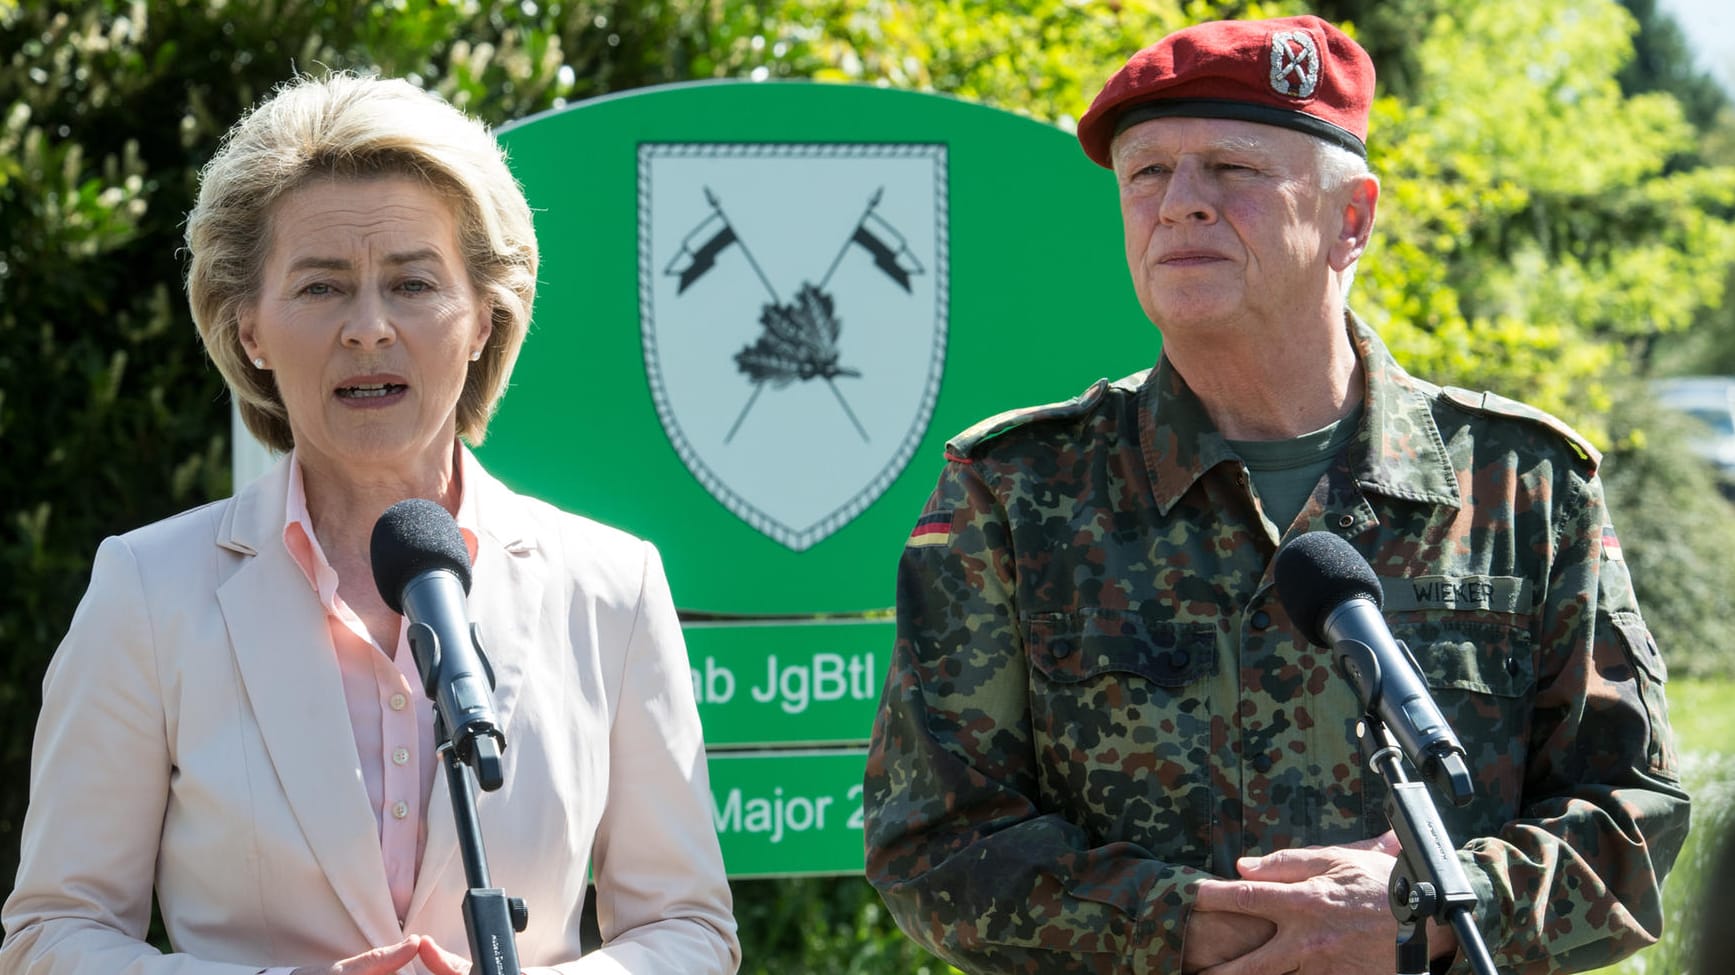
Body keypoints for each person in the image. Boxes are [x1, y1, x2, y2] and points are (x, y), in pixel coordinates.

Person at [863, 15, 1688, 975]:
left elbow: (1633, 823)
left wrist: (1422, 910)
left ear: (1353, 219)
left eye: (1232, 170)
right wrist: (1188, 921)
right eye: (1146, 175)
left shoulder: (1522, 486)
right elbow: (931, 843)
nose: (1179, 204)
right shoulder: (1012, 491)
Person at [1, 74, 739, 975]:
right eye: (320, 288)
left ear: (482, 319)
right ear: (249, 331)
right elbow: (52, 935)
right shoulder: (147, 591)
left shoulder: (611, 586)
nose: (368, 328)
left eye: (413, 283)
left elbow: (688, 930)